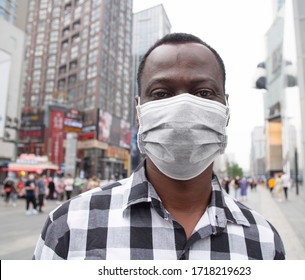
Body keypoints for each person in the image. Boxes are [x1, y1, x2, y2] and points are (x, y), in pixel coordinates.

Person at [34, 33, 285, 260]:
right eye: (161, 93)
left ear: (226, 108)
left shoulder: (263, 242)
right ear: (138, 111)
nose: (183, 106)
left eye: (204, 93)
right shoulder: (70, 226)